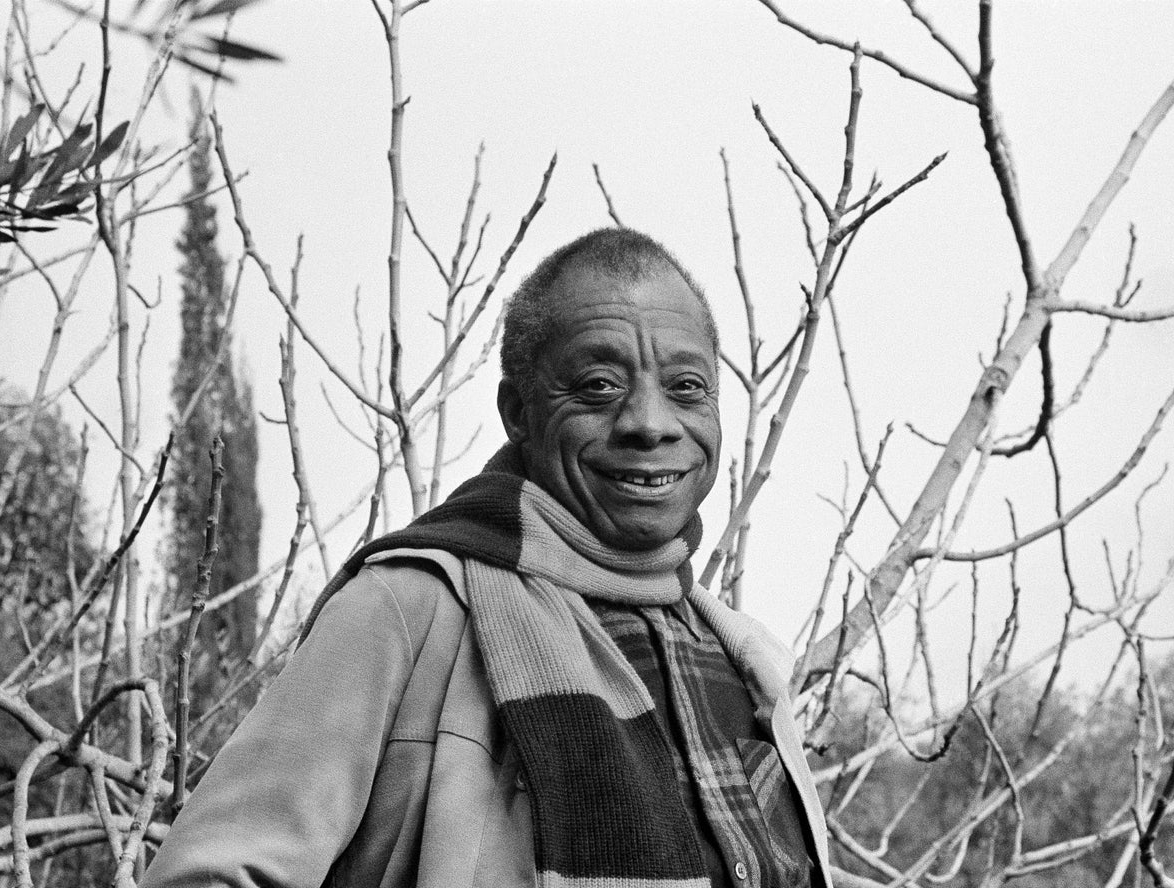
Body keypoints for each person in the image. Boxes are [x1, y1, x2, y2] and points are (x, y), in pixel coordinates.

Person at [142, 228, 835, 888]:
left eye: (687, 387)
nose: (649, 423)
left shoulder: (741, 658)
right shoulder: (410, 610)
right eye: (598, 386)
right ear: (518, 412)